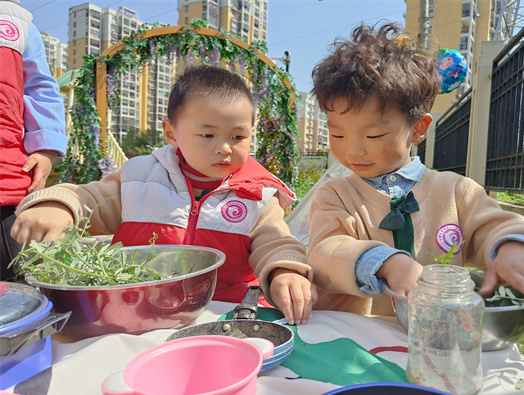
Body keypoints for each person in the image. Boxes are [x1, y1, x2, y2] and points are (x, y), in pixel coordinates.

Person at [307, 21, 524, 318]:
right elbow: (324, 252)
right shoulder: (336, 194)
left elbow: (496, 226)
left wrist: (515, 248)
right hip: (355, 336)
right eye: (337, 135)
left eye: (373, 136)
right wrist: (385, 262)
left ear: (418, 128)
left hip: (437, 336)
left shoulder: (455, 192)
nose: (352, 150)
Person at [11, 65, 315, 325]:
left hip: (226, 314)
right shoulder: (139, 179)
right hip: (138, 310)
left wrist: (285, 271)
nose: (224, 147)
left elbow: (275, 241)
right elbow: (88, 198)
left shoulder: (256, 194)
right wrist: (57, 205)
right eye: (208, 135)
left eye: (238, 136)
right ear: (171, 133)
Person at [0, 0, 68, 281]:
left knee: (17, 284)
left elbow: (41, 89)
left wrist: (45, 148)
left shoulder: (15, 22)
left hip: (5, 183)